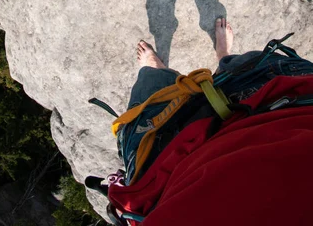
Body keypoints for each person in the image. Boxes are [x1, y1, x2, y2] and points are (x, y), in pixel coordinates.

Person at [107, 19, 313, 226]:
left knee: (150, 86)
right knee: (242, 64)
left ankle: (158, 70)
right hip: (284, 108)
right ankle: (224, 58)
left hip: (165, 179)